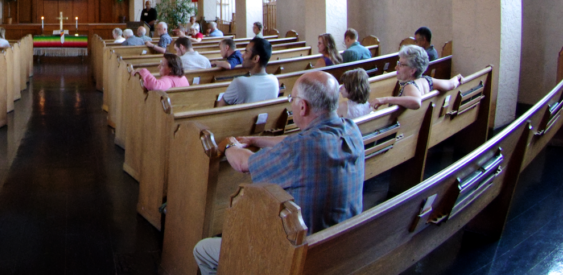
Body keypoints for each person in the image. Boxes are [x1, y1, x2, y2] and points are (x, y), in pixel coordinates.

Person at [193, 72, 365, 275]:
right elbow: (296, 142)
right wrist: (256, 140)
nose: (291, 104)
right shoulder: (351, 130)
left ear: (303, 106)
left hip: (298, 259)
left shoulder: (302, 149)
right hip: (340, 247)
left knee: (203, 250)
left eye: (292, 99)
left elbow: (243, 163)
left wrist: (229, 143)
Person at [372, 45, 462, 110]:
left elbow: (416, 101)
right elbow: (450, 84)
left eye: (401, 65)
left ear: (412, 70)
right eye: (397, 63)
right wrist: (457, 78)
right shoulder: (427, 80)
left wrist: (385, 99)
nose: (396, 67)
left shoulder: (410, 86)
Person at [220, 37, 278, 105]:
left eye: (246, 52)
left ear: (255, 58)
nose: (242, 56)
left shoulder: (239, 82)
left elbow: (220, 108)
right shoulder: (275, 81)